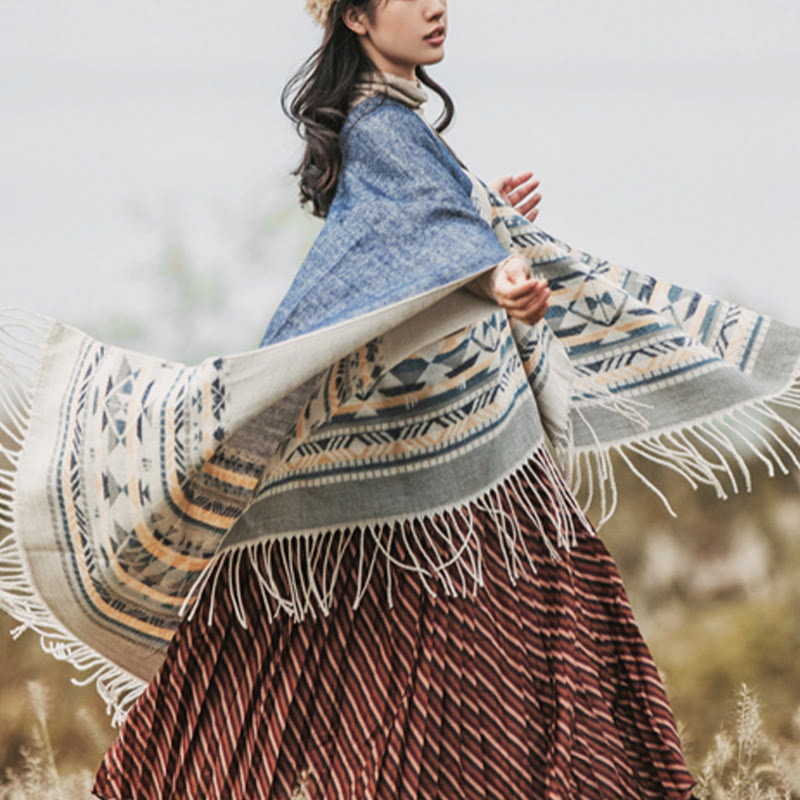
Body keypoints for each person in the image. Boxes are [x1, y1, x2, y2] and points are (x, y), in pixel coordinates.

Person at [87, 0, 699, 797]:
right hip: (451, 475)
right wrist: (495, 270)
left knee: (370, 653)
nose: (438, 7)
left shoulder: (391, 126)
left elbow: (419, 230)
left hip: (449, 457)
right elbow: (425, 235)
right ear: (356, 19)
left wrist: (483, 217)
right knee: (509, 643)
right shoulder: (382, 126)